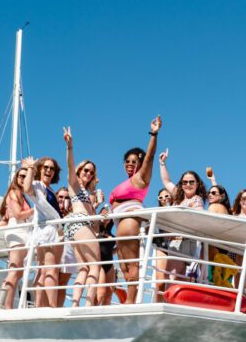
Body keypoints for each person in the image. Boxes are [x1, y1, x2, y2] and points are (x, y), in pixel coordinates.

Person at [109, 116, 162, 303]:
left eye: (134, 161)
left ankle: (131, 302)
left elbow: (150, 157)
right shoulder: (123, 182)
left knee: (132, 267)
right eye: (127, 161)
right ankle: (128, 301)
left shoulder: (141, 178)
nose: (130, 164)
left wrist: (153, 134)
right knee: (124, 269)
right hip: (119, 226)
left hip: (130, 222)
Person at [63, 127, 100, 306]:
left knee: (83, 268)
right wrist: (70, 147)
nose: (88, 173)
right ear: (79, 171)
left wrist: (97, 209)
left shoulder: (87, 193)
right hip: (78, 222)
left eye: (91, 172)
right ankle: (89, 304)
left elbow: (95, 224)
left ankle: (76, 303)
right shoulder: (74, 185)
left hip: (77, 226)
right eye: (85, 170)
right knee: (95, 265)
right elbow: (70, 166)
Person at [157, 149, 206, 282]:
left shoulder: (196, 199)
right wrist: (162, 163)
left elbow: (200, 215)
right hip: (174, 243)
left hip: (186, 243)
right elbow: (167, 182)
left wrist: (190, 212)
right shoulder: (178, 197)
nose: (188, 185)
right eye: (185, 182)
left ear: (197, 184)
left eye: (191, 182)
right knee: (173, 277)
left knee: (173, 277)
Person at [21, 155, 63, 308]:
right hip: (47, 231)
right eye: (46, 167)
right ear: (40, 169)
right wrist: (31, 168)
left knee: (44, 270)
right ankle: (52, 306)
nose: (49, 170)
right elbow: (27, 189)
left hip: (47, 230)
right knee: (50, 269)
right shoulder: (38, 184)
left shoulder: (50, 189)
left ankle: (41, 305)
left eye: (52, 168)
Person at [0, 167, 34, 308]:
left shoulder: (21, 195)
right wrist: (38, 209)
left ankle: (6, 304)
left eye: (26, 176)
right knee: (14, 271)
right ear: (16, 178)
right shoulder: (14, 192)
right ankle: (6, 306)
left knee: (17, 272)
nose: (23, 179)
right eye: (21, 176)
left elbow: (7, 218)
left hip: (19, 231)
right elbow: (18, 215)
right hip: (18, 232)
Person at [96, 208, 116, 306]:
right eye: (103, 213)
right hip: (99, 264)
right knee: (100, 293)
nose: (106, 215)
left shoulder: (111, 234)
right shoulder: (95, 230)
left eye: (108, 214)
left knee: (109, 294)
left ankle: (104, 318)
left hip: (110, 264)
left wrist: (120, 246)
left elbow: (111, 252)